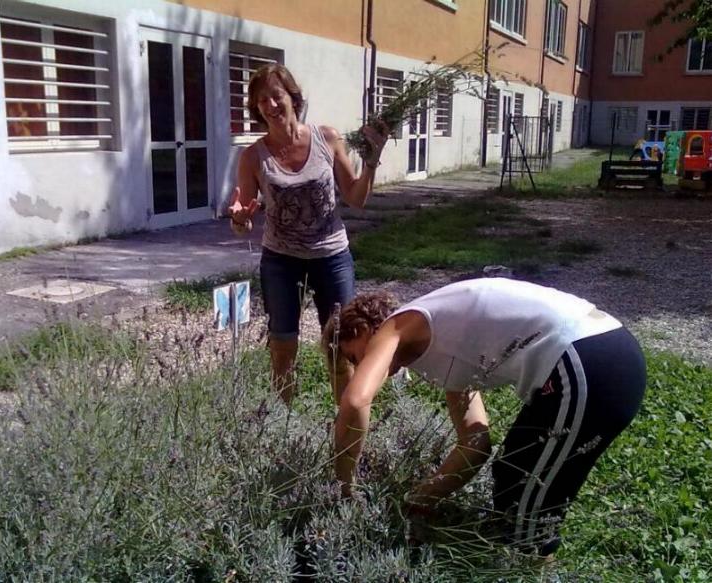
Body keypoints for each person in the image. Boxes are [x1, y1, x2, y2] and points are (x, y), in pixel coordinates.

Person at [323, 277, 646, 556]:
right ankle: (521, 564)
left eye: (355, 356)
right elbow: (475, 443)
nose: (363, 367)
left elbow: (355, 401)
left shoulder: (398, 325)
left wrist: (343, 488)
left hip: (587, 359)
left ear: (365, 328)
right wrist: (420, 497)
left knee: (526, 506)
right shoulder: (444, 343)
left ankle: (530, 569)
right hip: (597, 356)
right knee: (514, 476)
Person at [228, 63, 388, 404]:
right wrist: (240, 219)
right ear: (256, 109)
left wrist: (371, 162)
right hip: (280, 261)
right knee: (282, 347)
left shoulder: (326, 138)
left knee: (340, 347)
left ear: (292, 97)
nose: (271, 105)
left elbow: (356, 199)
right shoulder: (252, 157)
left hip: (331, 257)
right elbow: (241, 217)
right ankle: (285, 425)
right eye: (262, 101)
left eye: (276, 96)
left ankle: (343, 428)